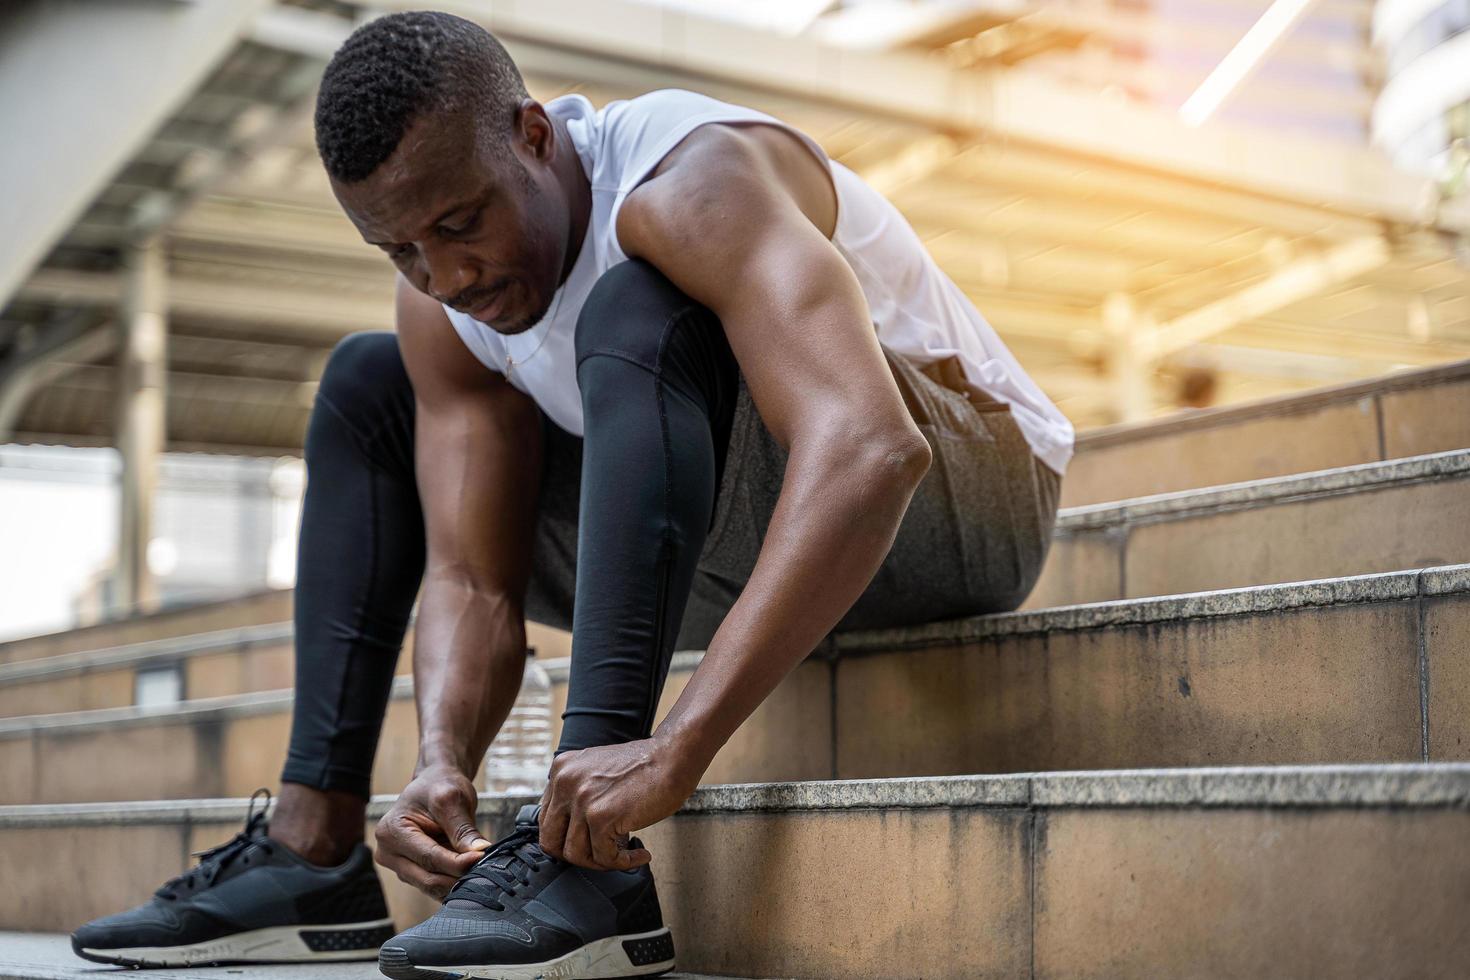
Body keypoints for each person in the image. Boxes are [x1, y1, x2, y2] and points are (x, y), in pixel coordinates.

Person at [71, 10, 1073, 978]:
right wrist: (440, 758)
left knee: (637, 301)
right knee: (369, 384)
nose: (445, 273)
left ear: (535, 136)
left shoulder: (690, 179)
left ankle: (586, 853)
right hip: (746, 536)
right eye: (401, 249)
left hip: (965, 504)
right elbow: (472, 576)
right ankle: (312, 849)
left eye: (461, 223)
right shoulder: (441, 299)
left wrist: (674, 746)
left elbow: (869, 447)